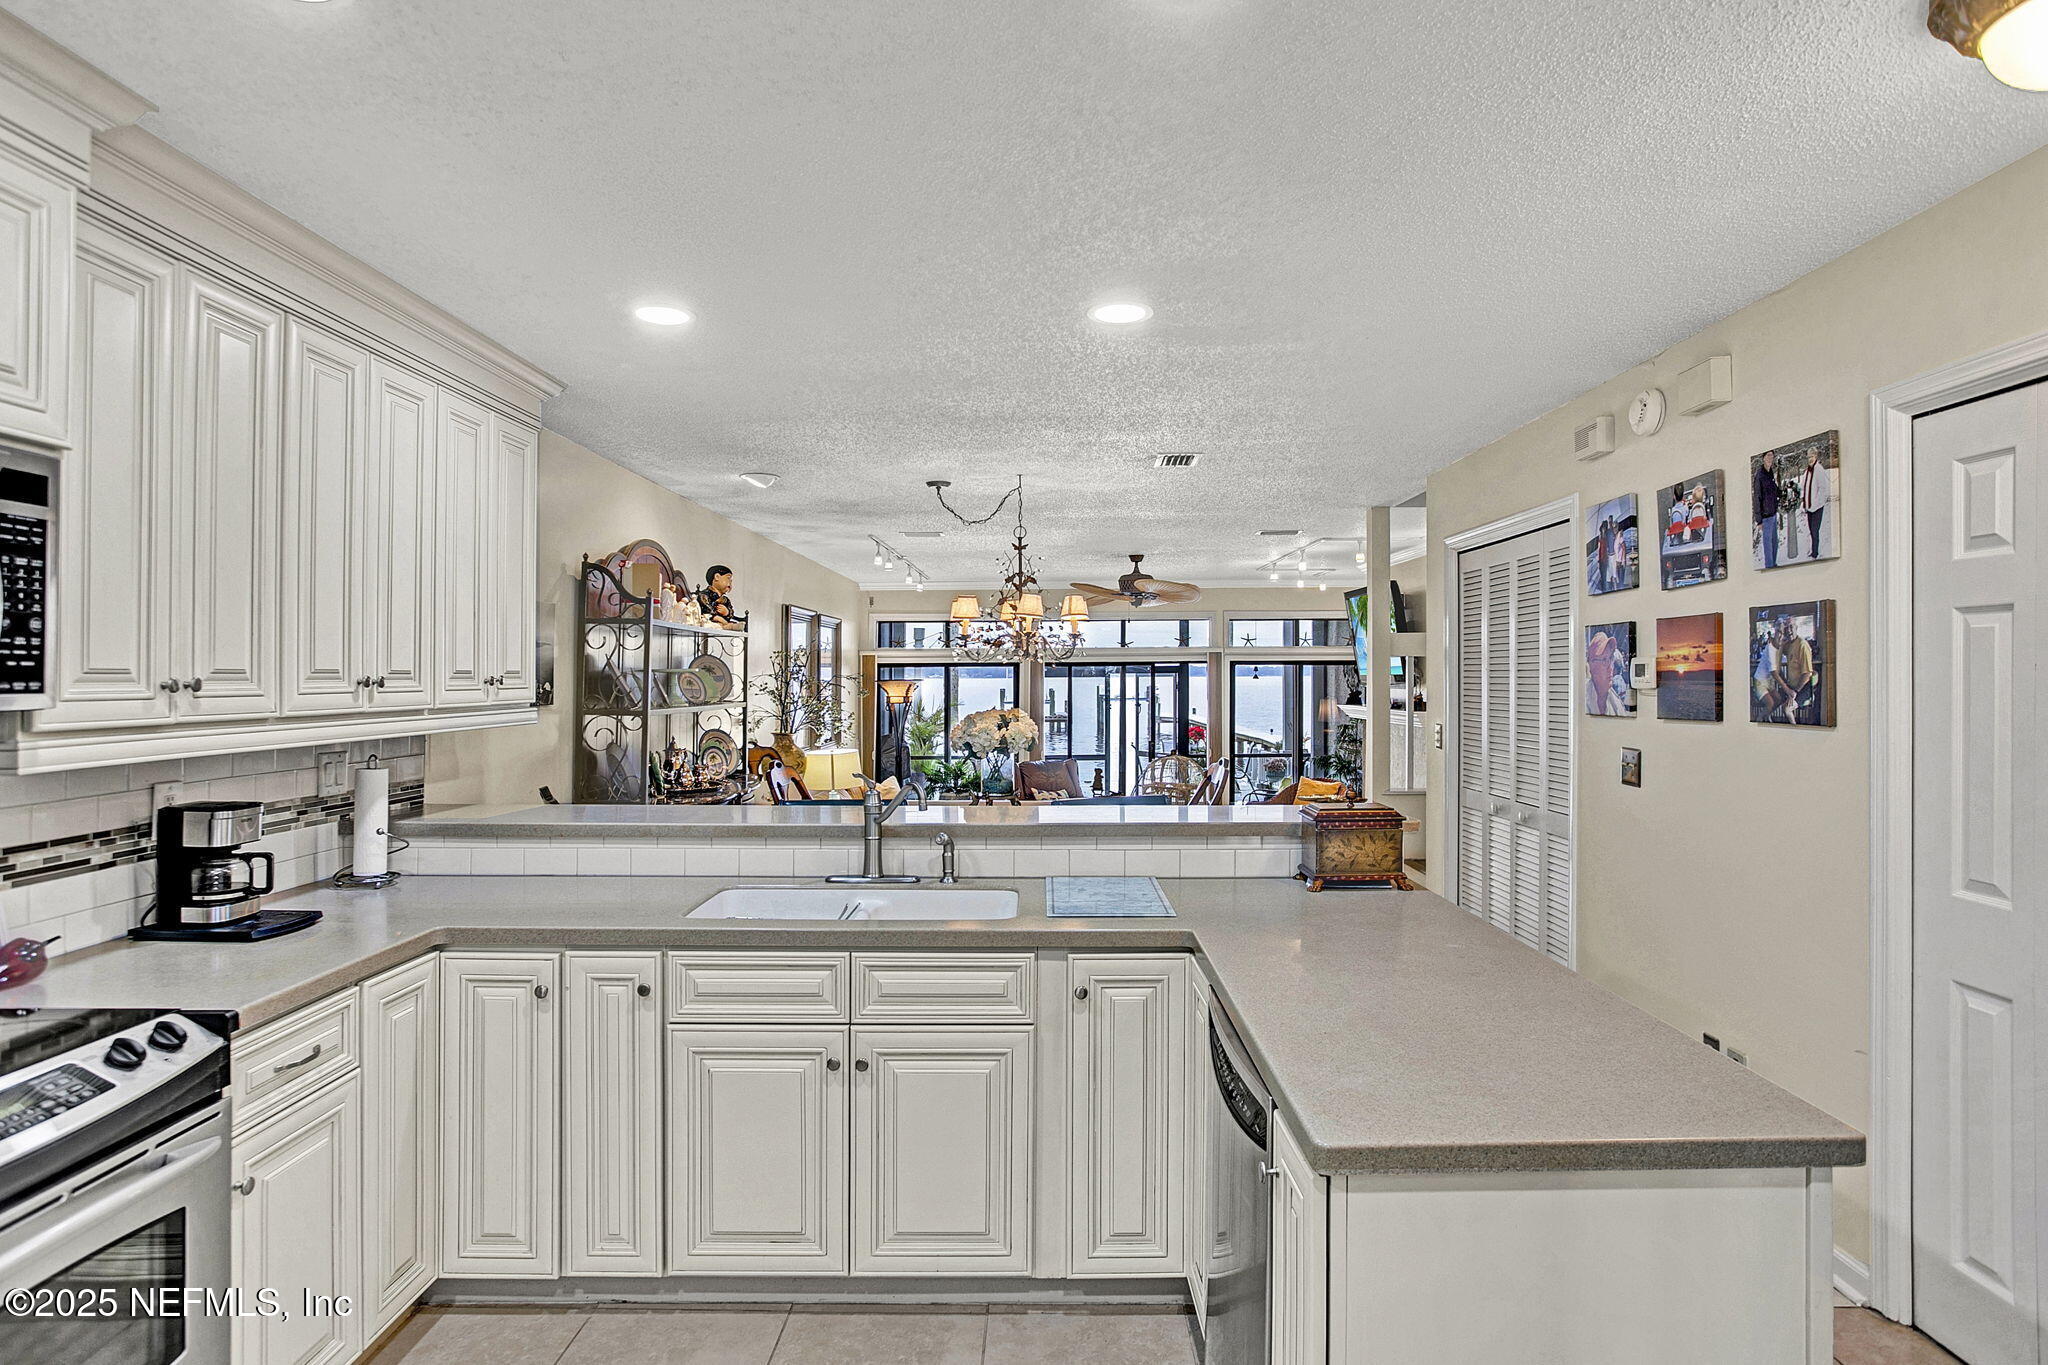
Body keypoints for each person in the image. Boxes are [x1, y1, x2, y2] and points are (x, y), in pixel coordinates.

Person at [1800, 454, 1830, 560]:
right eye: (1808, 457)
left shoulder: (1819, 470)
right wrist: (1804, 500)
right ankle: (1813, 550)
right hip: (1809, 507)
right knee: (1811, 530)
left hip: (1817, 507)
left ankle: (1815, 553)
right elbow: (1803, 486)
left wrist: (1816, 504)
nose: (1810, 459)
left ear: (1816, 457)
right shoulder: (1807, 471)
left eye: (1812, 457)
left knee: (1815, 530)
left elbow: (1822, 489)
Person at [1754, 451, 1780, 569]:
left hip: (1773, 513)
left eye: (1771, 456)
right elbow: (1757, 497)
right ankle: (1769, 567)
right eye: (1768, 456)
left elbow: (1773, 489)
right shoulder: (1760, 475)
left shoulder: (1770, 472)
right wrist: (1759, 520)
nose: (1770, 458)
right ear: (1763, 458)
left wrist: (1781, 493)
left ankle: (1774, 564)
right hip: (1765, 516)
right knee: (1768, 544)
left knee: (1774, 542)